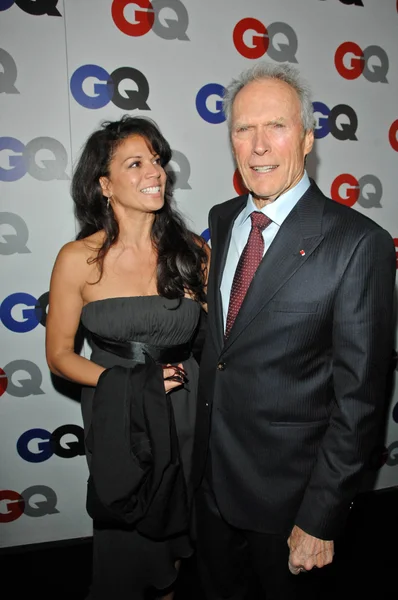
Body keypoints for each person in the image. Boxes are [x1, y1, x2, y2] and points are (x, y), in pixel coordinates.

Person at [192, 60, 396, 599]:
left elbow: (360, 402)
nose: (258, 145)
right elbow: (226, 345)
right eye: (243, 129)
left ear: (307, 139)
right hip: (209, 489)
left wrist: (321, 517)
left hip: (290, 509)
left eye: (275, 127)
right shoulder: (220, 218)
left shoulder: (357, 243)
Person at [45, 115, 209, 600]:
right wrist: (135, 385)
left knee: (181, 542)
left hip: (188, 409)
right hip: (119, 412)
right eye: (135, 163)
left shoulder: (193, 253)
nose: (154, 171)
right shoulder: (77, 258)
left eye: (156, 161)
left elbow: (219, 342)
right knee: (129, 542)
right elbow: (58, 356)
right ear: (105, 185)